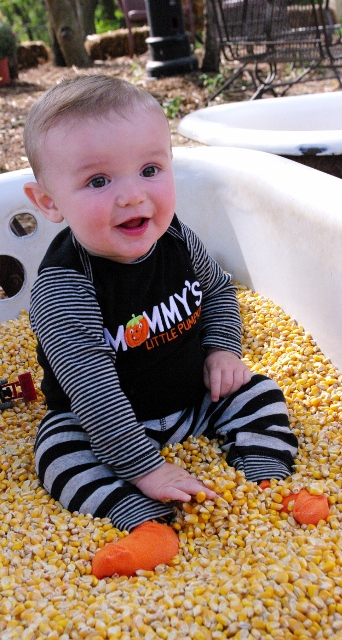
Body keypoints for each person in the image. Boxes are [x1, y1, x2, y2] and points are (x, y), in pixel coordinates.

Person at [23, 75, 329, 579]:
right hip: (101, 424)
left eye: (149, 170)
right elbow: (94, 394)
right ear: (49, 202)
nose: (132, 196)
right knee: (58, 452)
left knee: (260, 393)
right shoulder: (65, 289)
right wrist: (146, 468)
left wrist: (222, 351)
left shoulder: (177, 238)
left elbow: (219, 291)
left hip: (192, 399)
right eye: (98, 181)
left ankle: (268, 482)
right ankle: (144, 523)